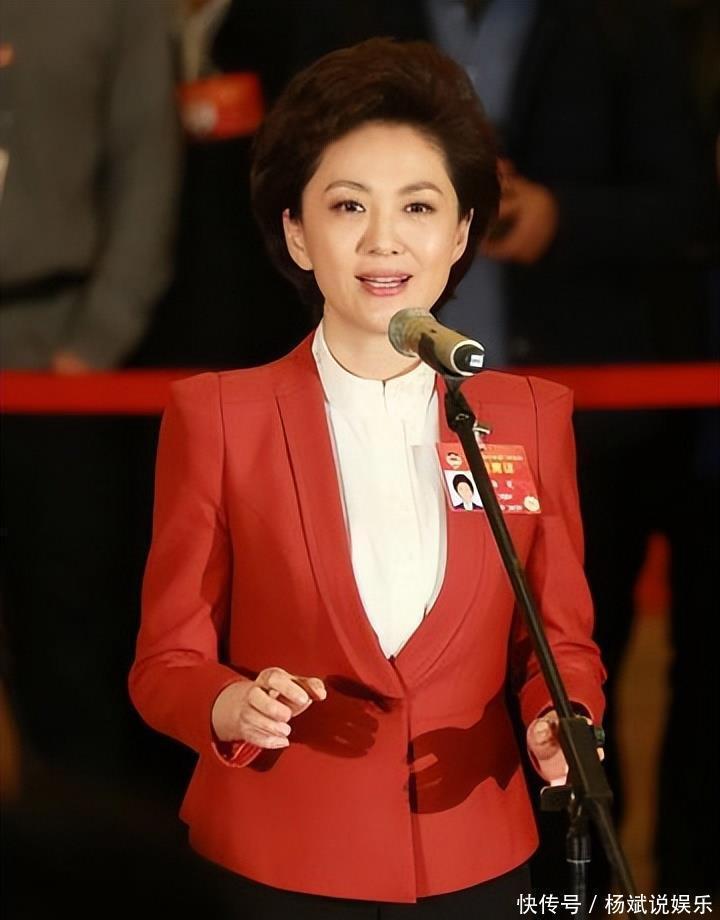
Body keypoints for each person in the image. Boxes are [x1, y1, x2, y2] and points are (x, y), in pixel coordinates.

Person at [130, 39, 605, 917]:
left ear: (460, 232)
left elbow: (559, 641)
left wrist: (560, 716)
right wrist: (231, 704)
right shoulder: (220, 417)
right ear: (296, 232)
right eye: (348, 205)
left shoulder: (529, 417)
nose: (384, 239)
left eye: (418, 206)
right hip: (277, 860)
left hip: (476, 853)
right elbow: (166, 664)